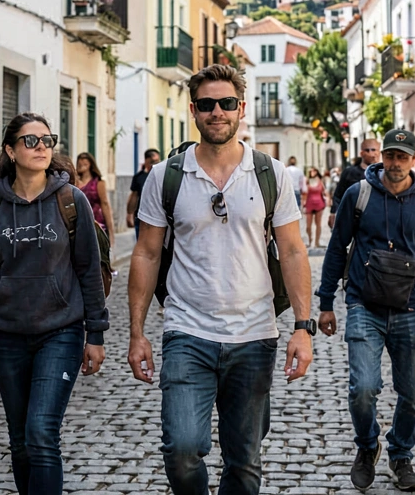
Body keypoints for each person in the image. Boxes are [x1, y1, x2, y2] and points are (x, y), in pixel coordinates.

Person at [127, 64, 314, 495]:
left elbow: (291, 251)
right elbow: (147, 252)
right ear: (193, 110)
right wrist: (137, 333)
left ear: (240, 109)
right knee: (181, 447)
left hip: (254, 335)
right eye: (207, 104)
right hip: (186, 330)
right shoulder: (166, 175)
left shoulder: (270, 174)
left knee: (244, 460)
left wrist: (302, 328)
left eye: (226, 103)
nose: (217, 112)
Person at [0, 113, 109, 495]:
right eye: (31, 141)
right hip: (6, 338)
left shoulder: (70, 201)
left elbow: (89, 270)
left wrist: (96, 333)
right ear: (10, 150)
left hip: (61, 332)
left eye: (47, 140)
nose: (42, 147)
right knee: (21, 441)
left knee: (41, 433)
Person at [318, 129, 415, 492]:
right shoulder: (359, 194)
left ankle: (401, 454)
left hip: (409, 309)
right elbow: (337, 248)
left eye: (402, 157)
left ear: (414, 160)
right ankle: (367, 445)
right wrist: (326, 302)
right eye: (389, 156)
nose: (394, 163)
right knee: (363, 387)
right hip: (363, 304)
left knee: (412, 393)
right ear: (380, 157)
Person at [329, 139, 380, 229]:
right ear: (361, 153)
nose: (372, 154)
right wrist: (333, 212)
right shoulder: (350, 172)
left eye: (374, 150)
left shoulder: (383, 174)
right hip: (352, 217)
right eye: (368, 150)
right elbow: (338, 194)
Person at [75, 152, 114, 234]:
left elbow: (105, 203)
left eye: (84, 163)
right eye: (79, 163)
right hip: (79, 222)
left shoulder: (98, 182)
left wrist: (110, 229)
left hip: (97, 222)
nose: (81, 165)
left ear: (90, 164)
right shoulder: (75, 182)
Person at [127, 148, 161, 237]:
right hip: (141, 217)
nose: (155, 164)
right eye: (153, 161)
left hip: (158, 216)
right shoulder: (139, 177)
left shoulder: (162, 175)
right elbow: (134, 195)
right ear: (146, 161)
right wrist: (129, 214)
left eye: (157, 161)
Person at [302, 166, 328, 248]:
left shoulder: (320, 181)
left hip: (319, 203)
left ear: (317, 172)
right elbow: (304, 193)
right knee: (308, 225)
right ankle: (310, 240)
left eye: (314, 171)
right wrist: (303, 203)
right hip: (309, 204)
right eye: (311, 171)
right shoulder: (307, 181)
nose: (312, 172)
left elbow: (324, 192)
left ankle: (317, 242)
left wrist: (327, 200)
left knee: (318, 224)